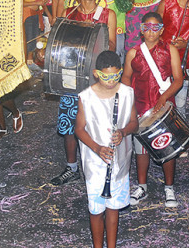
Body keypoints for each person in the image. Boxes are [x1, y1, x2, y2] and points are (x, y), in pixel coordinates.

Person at [50, 0, 118, 186]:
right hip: (72, 76)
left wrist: (93, 53)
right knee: (69, 124)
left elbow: (112, 46)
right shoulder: (69, 14)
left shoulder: (107, 14)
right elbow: (59, 43)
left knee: (98, 124)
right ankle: (71, 168)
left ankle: (101, 163)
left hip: (97, 78)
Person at [75, 51, 138, 248]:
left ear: (120, 72)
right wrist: (97, 148)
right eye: (105, 77)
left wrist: (124, 131)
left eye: (115, 76)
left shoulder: (127, 93)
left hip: (119, 161)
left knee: (113, 208)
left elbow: (135, 123)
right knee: (96, 210)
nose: (111, 82)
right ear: (96, 74)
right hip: (95, 162)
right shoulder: (86, 97)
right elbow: (79, 129)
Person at [123, 12, 184, 208]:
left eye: (155, 28)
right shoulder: (133, 53)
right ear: (141, 30)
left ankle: (169, 187)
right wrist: (128, 101)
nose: (151, 31)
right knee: (141, 149)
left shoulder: (170, 50)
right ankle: (142, 186)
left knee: (167, 147)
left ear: (162, 30)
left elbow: (179, 79)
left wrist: (164, 97)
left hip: (164, 107)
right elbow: (125, 77)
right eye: (147, 27)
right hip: (141, 107)